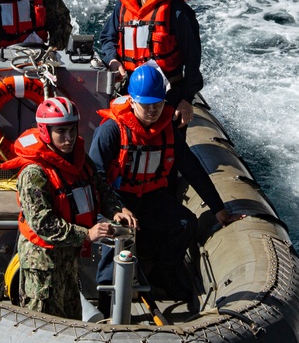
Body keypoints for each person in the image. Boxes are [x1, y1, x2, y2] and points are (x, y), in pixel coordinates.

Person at [89, 65, 234, 297]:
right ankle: (106, 294)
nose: (153, 110)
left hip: (149, 197)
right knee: (116, 231)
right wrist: (117, 208)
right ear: (133, 101)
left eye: (158, 103)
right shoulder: (111, 131)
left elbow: (191, 168)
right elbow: (94, 177)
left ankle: (162, 273)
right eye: (147, 104)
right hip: (115, 198)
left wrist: (218, 208)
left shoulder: (168, 131)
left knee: (185, 223)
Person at [0, 97, 136, 320]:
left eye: (72, 130)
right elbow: (43, 223)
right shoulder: (34, 174)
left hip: (69, 258)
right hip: (43, 263)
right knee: (43, 321)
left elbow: (99, 187)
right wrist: (87, 234)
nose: (69, 138)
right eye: (61, 131)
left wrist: (116, 209)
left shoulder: (79, 161)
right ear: (46, 132)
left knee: (71, 316)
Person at [98, 0, 203, 127]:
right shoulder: (122, 6)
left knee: (171, 148)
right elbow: (107, 37)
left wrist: (187, 99)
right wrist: (113, 60)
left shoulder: (177, 11)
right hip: (131, 92)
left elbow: (193, 59)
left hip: (167, 95)